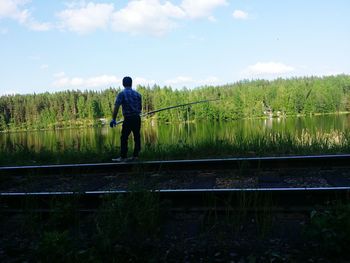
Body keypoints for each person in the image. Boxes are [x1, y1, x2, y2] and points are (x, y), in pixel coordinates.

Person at [110, 76, 142, 162]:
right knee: (137, 137)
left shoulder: (121, 94)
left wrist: (113, 119)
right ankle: (136, 156)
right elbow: (140, 108)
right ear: (131, 84)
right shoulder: (138, 94)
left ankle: (123, 157)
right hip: (137, 118)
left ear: (123, 84)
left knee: (124, 138)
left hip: (128, 119)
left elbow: (116, 107)